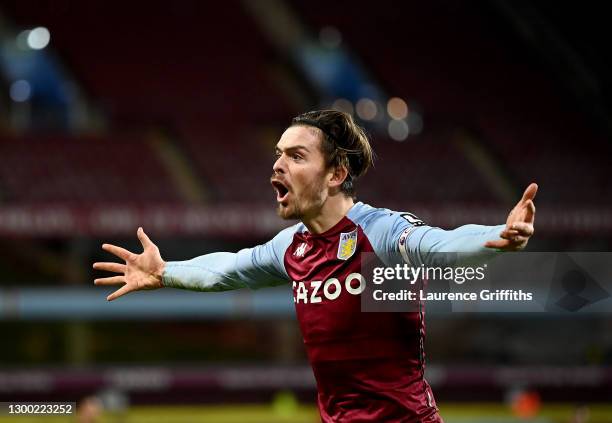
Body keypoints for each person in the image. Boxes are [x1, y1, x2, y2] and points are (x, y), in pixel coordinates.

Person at [93, 110, 537, 422]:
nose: (278, 165)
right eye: (279, 154)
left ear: (336, 174)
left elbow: (438, 245)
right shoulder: (293, 246)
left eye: (296, 156)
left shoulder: (379, 231)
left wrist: (496, 236)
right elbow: (227, 269)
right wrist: (164, 271)